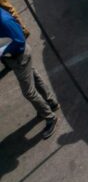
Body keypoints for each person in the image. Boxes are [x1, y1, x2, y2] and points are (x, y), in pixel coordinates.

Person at [2, 7, 60, 139]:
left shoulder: (3, 20)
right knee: (34, 76)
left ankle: (50, 117)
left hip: (19, 57)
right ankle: (51, 102)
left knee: (28, 92)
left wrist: (2, 51)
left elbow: (19, 41)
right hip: (14, 57)